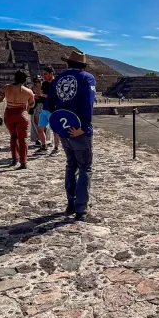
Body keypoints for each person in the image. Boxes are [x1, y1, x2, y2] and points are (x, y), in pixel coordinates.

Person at [46, 50, 97, 222]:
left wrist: (59, 124)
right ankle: (81, 208)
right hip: (79, 131)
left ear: (68, 63)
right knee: (84, 168)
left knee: (70, 165)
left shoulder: (57, 79)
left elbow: (49, 105)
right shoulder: (87, 78)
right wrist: (84, 127)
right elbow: (88, 104)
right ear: (83, 65)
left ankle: (70, 202)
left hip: (63, 129)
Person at [0, 70, 35, 169]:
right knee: (22, 139)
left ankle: (14, 159)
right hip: (21, 114)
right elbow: (32, 104)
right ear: (24, 80)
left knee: (13, 137)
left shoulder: (6, 87)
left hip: (9, 114)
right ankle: (23, 162)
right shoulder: (28, 91)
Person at [38, 66, 59, 155]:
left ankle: (56, 147)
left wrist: (43, 95)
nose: (43, 76)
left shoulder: (57, 83)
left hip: (53, 109)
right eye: (43, 74)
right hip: (45, 109)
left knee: (55, 130)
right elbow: (42, 95)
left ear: (51, 73)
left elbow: (56, 97)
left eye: (45, 74)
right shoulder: (45, 84)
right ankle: (44, 145)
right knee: (40, 128)